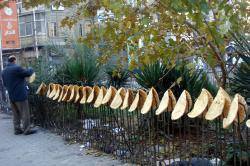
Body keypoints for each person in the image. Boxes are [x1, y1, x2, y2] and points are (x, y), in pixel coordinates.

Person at [2, 55, 36, 135]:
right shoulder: (16, 68)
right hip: (20, 95)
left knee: (15, 114)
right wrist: (31, 68)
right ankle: (27, 129)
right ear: (14, 60)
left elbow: (5, 84)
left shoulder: (4, 71)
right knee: (25, 112)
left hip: (12, 96)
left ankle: (17, 129)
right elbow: (28, 73)